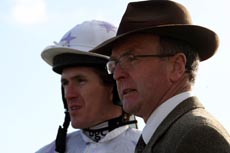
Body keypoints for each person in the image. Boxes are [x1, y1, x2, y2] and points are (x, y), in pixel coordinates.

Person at [91, 1, 230, 153]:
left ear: (176, 66)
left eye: (131, 58)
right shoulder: (169, 134)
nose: (117, 75)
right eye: (114, 64)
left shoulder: (198, 136)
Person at [36, 20, 140, 153]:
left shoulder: (151, 148)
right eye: (65, 83)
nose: (69, 95)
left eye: (80, 81)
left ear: (114, 86)